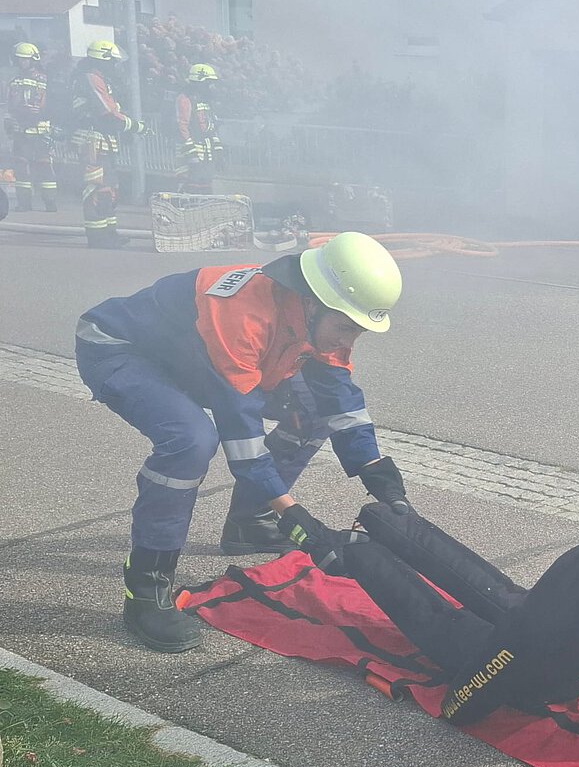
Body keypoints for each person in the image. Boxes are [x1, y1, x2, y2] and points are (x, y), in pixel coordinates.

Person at [74, 232, 412, 653]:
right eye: (346, 327)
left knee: (309, 413)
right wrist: (296, 519)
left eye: (358, 331)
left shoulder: (314, 315)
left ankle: (248, 524)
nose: (349, 342)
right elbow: (243, 436)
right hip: (120, 349)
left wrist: (377, 473)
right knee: (190, 440)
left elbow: (339, 400)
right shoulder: (240, 315)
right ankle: (146, 586)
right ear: (313, 301)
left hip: (193, 360)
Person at [69, 39, 148, 248]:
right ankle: (97, 237)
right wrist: (134, 126)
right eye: (112, 62)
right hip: (91, 142)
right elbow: (106, 112)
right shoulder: (91, 78)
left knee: (110, 190)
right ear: (101, 61)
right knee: (96, 189)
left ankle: (109, 233)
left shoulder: (102, 80)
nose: (115, 66)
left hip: (102, 141)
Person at [4, 42, 58, 212]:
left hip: (40, 130)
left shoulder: (45, 79)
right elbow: (10, 105)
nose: (22, 62)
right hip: (20, 131)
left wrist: (44, 116)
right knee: (21, 167)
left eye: (25, 59)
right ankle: (24, 203)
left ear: (34, 60)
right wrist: (9, 123)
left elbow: (51, 103)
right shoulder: (14, 81)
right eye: (20, 59)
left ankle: (50, 202)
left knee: (44, 166)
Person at [175, 62, 223, 194]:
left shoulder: (207, 100)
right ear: (199, 82)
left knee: (206, 185)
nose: (211, 87)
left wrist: (218, 152)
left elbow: (211, 126)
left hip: (206, 149)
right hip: (192, 149)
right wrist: (192, 154)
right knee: (190, 185)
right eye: (208, 83)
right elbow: (182, 126)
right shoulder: (185, 99)